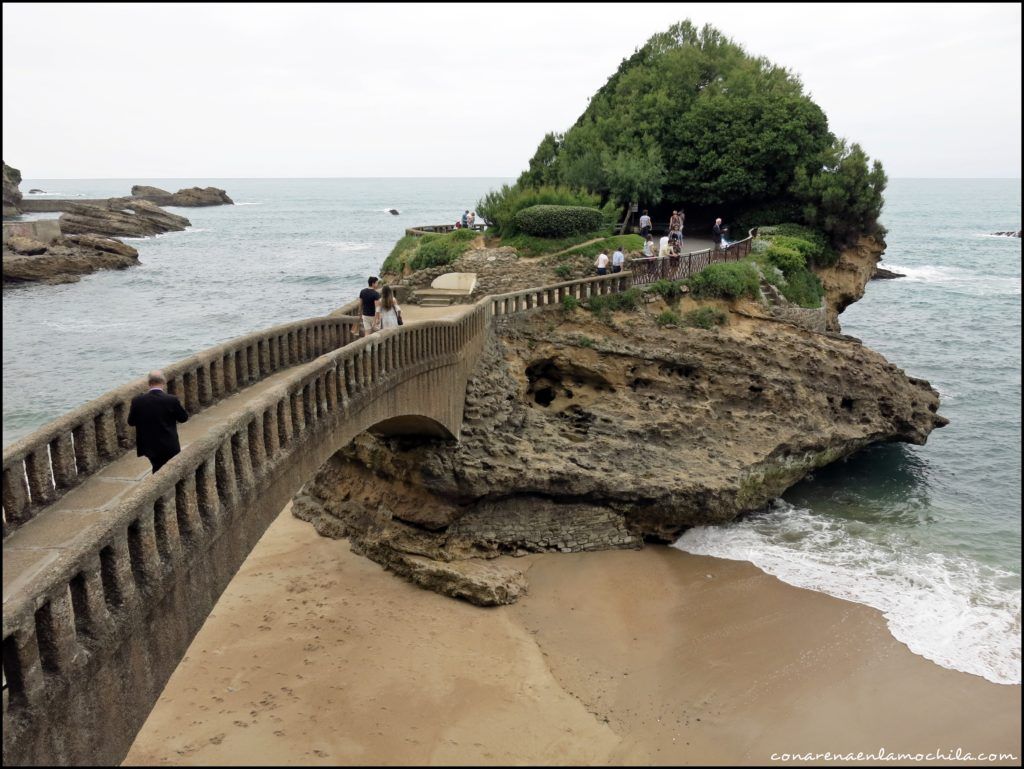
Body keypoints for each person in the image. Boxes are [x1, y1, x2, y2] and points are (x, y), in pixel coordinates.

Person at [127, 370, 189, 474]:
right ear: (163, 382)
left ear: (149, 383)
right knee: (172, 470)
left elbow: (131, 422)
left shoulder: (137, 401)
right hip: (169, 444)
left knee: (157, 468)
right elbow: (183, 418)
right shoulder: (171, 400)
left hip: (148, 445)